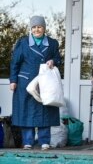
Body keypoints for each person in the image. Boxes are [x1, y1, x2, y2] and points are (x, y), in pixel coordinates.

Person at [9, 15, 61, 150]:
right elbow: (15, 63)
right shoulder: (23, 43)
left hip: (45, 82)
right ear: (31, 29)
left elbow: (58, 58)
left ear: (44, 28)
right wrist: (13, 80)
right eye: (34, 27)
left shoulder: (52, 43)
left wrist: (53, 61)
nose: (37, 30)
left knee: (46, 110)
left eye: (39, 27)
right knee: (27, 111)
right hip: (25, 83)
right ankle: (28, 142)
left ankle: (44, 141)